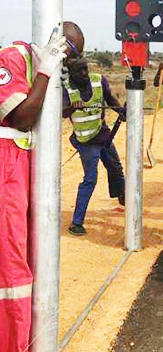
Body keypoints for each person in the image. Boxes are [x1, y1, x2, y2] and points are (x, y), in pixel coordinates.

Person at [0, 27, 67, 352]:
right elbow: (22, 118)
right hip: (5, 171)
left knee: (21, 259)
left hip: (19, 171)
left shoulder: (49, 68)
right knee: (10, 266)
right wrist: (45, 70)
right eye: (71, 56)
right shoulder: (13, 58)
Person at [63, 53, 126, 236]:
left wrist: (120, 110)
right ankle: (77, 223)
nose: (85, 73)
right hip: (86, 142)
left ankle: (122, 196)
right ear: (71, 73)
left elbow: (110, 99)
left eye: (86, 69)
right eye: (80, 71)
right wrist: (71, 108)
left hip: (103, 135)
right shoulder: (66, 89)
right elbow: (62, 113)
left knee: (116, 168)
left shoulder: (99, 81)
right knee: (90, 179)